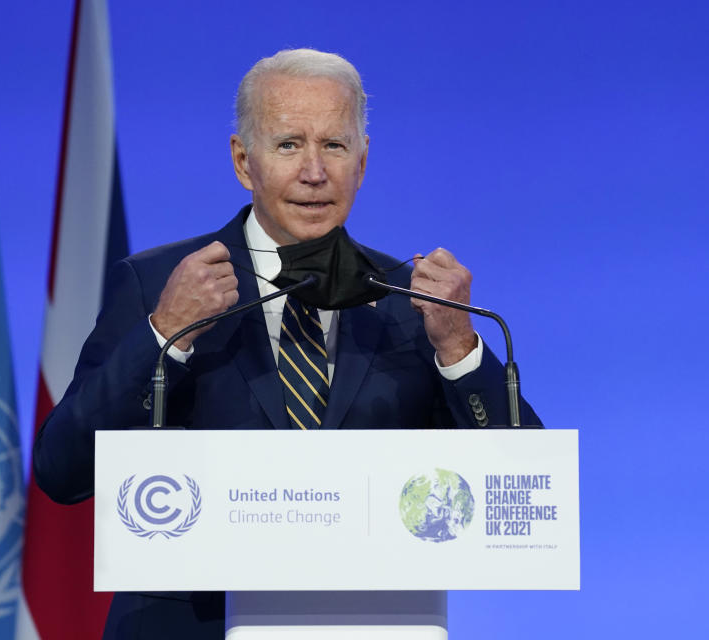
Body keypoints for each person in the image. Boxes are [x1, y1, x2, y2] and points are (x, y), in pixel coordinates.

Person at [34, 48, 539, 640]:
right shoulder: (160, 285)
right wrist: (163, 336)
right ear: (243, 161)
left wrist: (459, 351)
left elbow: (524, 489)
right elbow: (62, 471)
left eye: (335, 145)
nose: (314, 172)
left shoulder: (414, 300)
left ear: (364, 160)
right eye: (289, 144)